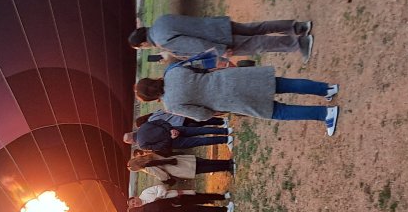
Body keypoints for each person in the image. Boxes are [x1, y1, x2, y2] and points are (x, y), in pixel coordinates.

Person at [135, 67, 341, 136]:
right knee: (283, 84)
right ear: (152, 80)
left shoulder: (171, 105)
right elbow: (204, 69)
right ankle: (326, 88)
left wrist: (217, 112)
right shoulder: (172, 72)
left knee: (279, 111)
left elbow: (202, 115)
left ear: (152, 98)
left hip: (230, 100)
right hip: (232, 78)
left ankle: (325, 114)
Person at [129, 14, 314, 62]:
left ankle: (299, 43)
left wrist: (220, 51)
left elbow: (194, 44)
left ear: (143, 43)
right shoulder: (161, 21)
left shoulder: (162, 41)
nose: (146, 48)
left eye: (143, 48)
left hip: (219, 41)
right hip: (215, 25)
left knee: (258, 44)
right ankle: (298, 27)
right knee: (257, 27)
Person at [123, 119, 228, 155]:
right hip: (176, 129)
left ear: (131, 142)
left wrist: (170, 137)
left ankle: (225, 139)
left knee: (200, 141)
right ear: (132, 132)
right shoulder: (143, 126)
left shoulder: (142, 145)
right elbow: (161, 122)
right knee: (199, 130)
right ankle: (225, 130)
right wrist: (170, 129)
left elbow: (160, 147)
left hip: (175, 142)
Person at [127, 153, 233, 183]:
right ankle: (227, 162)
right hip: (178, 160)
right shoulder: (148, 155)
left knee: (205, 169)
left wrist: (166, 180)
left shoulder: (147, 168)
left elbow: (162, 175)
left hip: (177, 169)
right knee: (205, 162)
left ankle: (226, 167)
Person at [132, 184, 229, 206]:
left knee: (200, 196)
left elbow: (160, 187)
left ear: (135, 197)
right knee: (199, 204)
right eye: (133, 205)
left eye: (133, 201)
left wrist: (159, 197)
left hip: (176, 196)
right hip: (177, 206)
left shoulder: (145, 193)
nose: (135, 203)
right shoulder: (144, 209)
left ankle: (222, 197)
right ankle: (220, 207)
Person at [135, 109, 228, 130]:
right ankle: (222, 120)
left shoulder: (152, 122)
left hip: (179, 123)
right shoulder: (153, 114)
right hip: (180, 115)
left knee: (202, 123)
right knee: (202, 119)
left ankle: (222, 123)